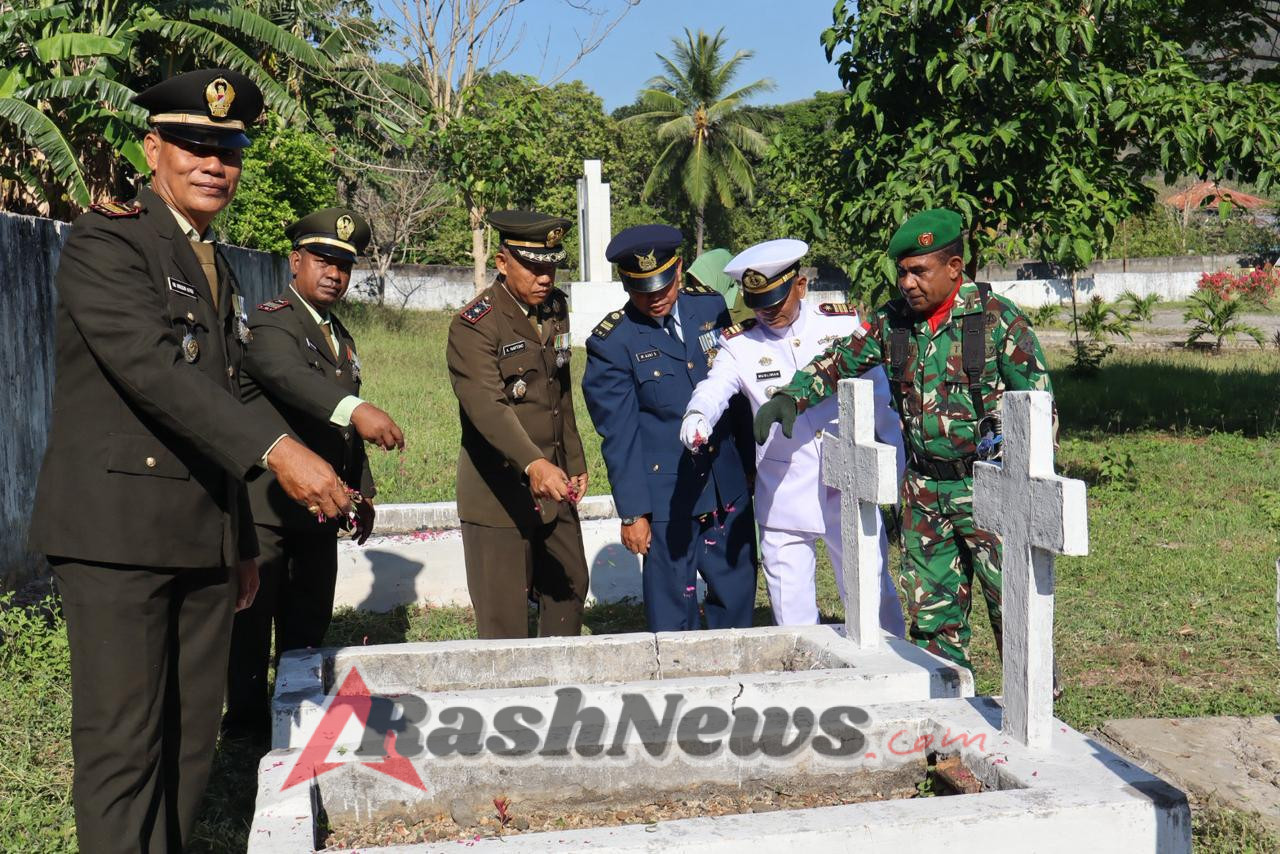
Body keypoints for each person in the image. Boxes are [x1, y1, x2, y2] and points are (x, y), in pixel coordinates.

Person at [27, 69, 351, 854]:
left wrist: (239, 537)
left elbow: (228, 392)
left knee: (190, 743)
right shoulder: (109, 239)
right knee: (123, 746)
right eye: (193, 145)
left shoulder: (213, 258)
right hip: (118, 538)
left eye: (228, 149)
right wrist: (281, 451)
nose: (213, 163)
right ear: (153, 147)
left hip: (203, 539)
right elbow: (152, 369)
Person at [754, 209, 1053, 674]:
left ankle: (1039, 716)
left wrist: (1035, 481)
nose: (907, 283)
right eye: (902, 272)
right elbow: (839, 360)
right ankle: (947, 715)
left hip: (990, 488)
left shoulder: (995, 319)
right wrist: (793, 396)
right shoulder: (892, 323)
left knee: (1013, 609)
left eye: (919, 271)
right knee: (932, 619)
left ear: (954, 267)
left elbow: (1039, 404)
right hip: (924, 493)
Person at [223, 207, 405, 742]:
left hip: (322, 512)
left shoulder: (338, 334)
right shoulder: (269, 321)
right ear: (295, 261)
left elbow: (338, 435)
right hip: (268, 512)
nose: (334, 273)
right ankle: (246, 731)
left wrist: (361, 493)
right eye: (323, 260)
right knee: (251, 630)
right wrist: (359, 408)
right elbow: (288, 378)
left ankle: (295, 723)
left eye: (344, 265)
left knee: (307, 626)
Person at [681, 239, 907, 632]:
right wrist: (698, 414)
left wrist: (894, 465)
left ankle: (894, 662)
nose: (767, 312)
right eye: (757, 303)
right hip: (785, 487)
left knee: (870, 590)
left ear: (799, 285)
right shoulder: (739, 344)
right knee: (791, 608)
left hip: (848, 482)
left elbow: (879, 399)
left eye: (775, 300)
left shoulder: (839, 324)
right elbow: (715, 385)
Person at [581, 225, 758, 632]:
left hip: (724, 482)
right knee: (672, 612)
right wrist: (632, 514)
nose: (655, 296)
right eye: (642, 289)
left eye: (662, 283)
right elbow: (619, 435)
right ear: (626, 284)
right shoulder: (612, 343)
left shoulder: (710, 307)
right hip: (665, 497)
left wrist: (749, 464)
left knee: (736, 597)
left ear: (678, 270)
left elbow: (737, 397)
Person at [446, 210, 590, 639]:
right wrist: (534, 463)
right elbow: (487, 407)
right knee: (504, 619)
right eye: (533, 266)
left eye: (552, 265)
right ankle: (508, 703)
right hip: (498, 490)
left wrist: (575, 459)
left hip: (554, 479)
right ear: (504, 262)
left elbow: (559, 390)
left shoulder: (556, 308)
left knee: (570, 587)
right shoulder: (474, 324)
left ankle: (559, 692)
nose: (545, 277)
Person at [687, 247, 753, 325]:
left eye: (702, 284)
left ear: (721, 277)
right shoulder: (693, 309)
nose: (698, 291)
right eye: (694, 285)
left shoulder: (750, 313)